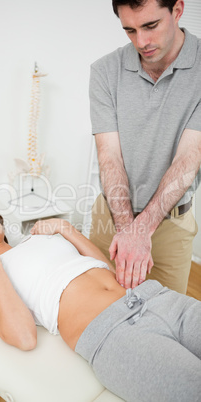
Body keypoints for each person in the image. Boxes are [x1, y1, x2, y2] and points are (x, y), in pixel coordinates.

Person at [0, 203, 201, 402]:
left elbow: (104, 270)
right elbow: (23, 337)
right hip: (113, 334)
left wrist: (66, 229)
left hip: (155, 298)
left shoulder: (37, 239)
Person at [89, 0, 201, 294]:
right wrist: (128, 230)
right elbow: (109, 156)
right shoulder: (104, 71)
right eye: (130, 30)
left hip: (171, 226)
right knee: (100, 312)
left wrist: (141, 231)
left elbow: (189, 158)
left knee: (165, 321)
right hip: (110, 219)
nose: (142, 41)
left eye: (151, 26)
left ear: (177, 10)